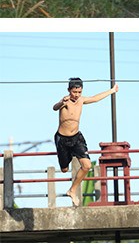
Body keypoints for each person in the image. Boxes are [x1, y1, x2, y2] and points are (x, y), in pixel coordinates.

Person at [52, 78, 118, 207]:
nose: (76, 95)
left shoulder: (81, 100)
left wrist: (112, 90)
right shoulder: (65, 101)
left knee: (87, 165)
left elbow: (95, 98)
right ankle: (69, 155)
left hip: (77, 138)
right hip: (62, 140)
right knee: (64, 169)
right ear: (69, 90)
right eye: (74, 92)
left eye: (79, 92)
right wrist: (61, 102)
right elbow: (54, 108)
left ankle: (72, 190)